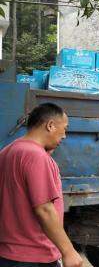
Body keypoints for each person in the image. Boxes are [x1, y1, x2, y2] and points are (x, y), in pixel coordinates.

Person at [0, 103, 83, 267]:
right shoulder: (35, 156)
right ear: (50, 125)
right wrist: (68, 251)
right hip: (34, 255)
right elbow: (44, 209)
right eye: (64, 128)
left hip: (7, 253)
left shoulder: (8, 151)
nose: (65, 135)